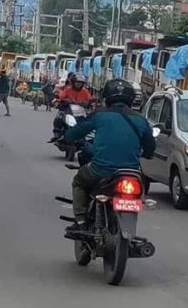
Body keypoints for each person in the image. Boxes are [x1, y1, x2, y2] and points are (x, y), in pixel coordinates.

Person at [64, 78, 155, 233]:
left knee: (79, 182)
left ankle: (80, 221)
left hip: (100, 170)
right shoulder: (141, 120)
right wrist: (146, 153)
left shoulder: (99, 115)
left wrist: (70, 138)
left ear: (107, 97)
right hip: (132, 174)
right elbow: (150, 148)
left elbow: (75, 133)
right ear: (131, 99)